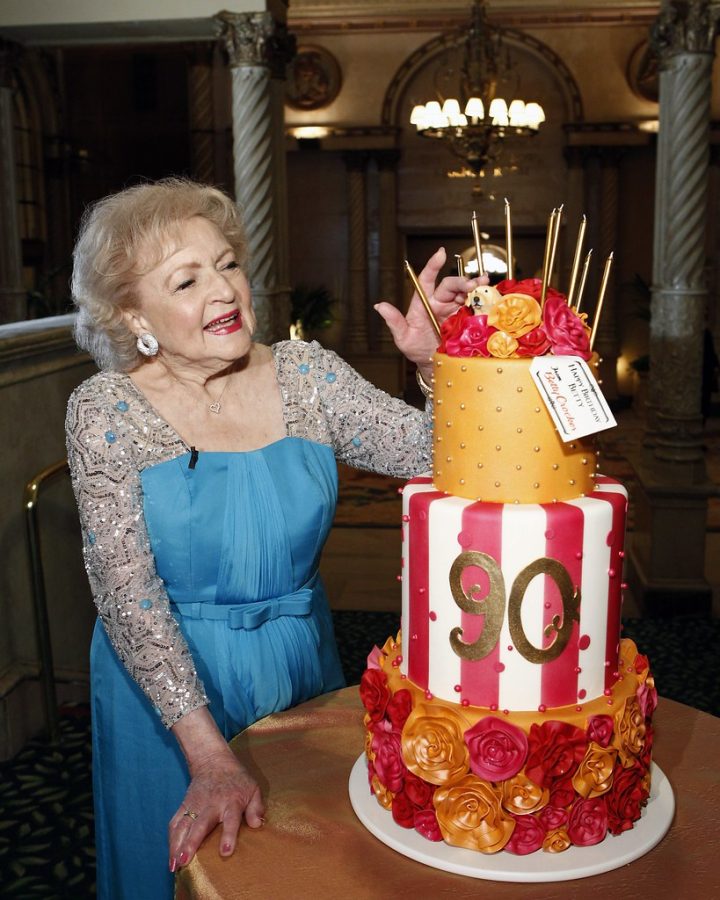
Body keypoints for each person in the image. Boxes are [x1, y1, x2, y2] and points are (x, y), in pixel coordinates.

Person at [66, 177, 479, 899]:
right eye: (187, 280)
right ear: (134, 312)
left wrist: (431, 363)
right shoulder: (106, 407)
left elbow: (436, 453)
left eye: (228, 264)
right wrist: (207, 754)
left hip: (297, 662)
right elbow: (125, 594)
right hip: (166, 689)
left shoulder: (307, 372)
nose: (223, 291)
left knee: (306, 870)